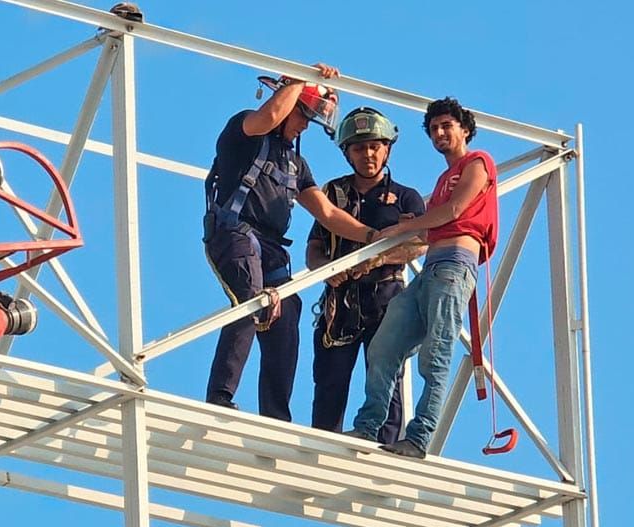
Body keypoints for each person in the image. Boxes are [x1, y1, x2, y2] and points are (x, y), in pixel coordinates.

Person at [203, 63, 380, 421]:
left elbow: (328, 214)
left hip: (270, 248)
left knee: (288, 315)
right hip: (234, 233)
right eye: (302, 117)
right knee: (252, 301)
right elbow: (270, 115)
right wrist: (303, 81)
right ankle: (220, 396)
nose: (303, 126)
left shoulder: (296, 164)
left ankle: (276, 415)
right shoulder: (245, 131)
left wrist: (372, 236)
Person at [346, 97, 498, 458]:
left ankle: (419, 437)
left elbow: (455, 210)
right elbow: (429, 232)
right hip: (433, 266)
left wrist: (406, 226)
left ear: (464, 129)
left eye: (447, 126)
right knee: (383, 346)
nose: (440, 133)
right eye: (433, 129)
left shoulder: (479, 162)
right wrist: (382, 252)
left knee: (436, 351)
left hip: (455, 265)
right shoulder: (445, 176)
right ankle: (369, 427)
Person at [306, 107, 426, 442]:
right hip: (340, 302)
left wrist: (375, 260)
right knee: (329, 380)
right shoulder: (334, 194)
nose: (368, 154)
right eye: (359, 148)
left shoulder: (405, 197)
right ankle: (325, 444)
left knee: (385, 374)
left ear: (387, 148)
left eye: (375, 146)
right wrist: (325, 271)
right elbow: (314, 248)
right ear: (347, 153)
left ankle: (384, 446)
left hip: (386, 298)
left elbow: (419, 244)